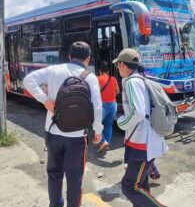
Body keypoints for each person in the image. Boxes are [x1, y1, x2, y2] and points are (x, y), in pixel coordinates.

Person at [23, 41, 103, 207]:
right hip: (77, 137)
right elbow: (97, 107)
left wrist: (45, 100)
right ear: (88, 59)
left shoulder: (54, 70)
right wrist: (97, 131)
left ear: (69, 56)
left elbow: (28, 79)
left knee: (54, 174)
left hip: (53, 132)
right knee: (74, 178)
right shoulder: (90, 77)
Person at [113, 48, 168, 207]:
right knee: (141, 184)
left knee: (129, 186)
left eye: (118, 66)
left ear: (122, 65)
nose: (118, 69)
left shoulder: (131, 82)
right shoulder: (141, 79)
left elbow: (138, 112)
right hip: (144, 140)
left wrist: (121, 122)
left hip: (141, 144)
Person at [97, 61, 120, 153]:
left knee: (96, 124)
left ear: (100, 71)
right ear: (108, 71)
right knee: (108, 125)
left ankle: (103, 141)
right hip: (113, 105)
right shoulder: (113, 78)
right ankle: (106, 143)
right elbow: (117, 91)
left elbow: (95, 92)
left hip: (102, 105)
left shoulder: (97, 78)